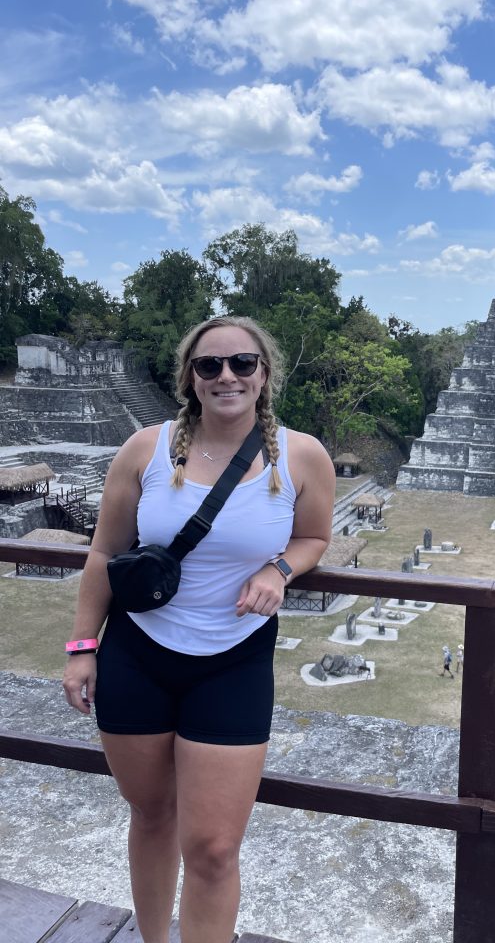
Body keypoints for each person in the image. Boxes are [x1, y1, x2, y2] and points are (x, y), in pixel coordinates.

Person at [62, 315, 335, 943]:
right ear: (191, 377)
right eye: (209, 365)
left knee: (213, 848)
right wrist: (81, 648)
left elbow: (315, 536)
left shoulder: (300, 456)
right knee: (152, 814)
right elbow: (104, 553)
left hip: (233, 660)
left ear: (264, 374)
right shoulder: (146, 449)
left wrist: (279, 568)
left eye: (242, 363)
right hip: (138, 654)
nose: (226, 376)